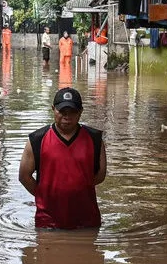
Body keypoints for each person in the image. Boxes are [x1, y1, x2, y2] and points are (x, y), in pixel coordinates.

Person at [19, 87, 106, 229]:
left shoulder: (95, 139)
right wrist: (45, 197)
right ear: (53, 109)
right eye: (62, 112)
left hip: (87, 221)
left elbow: (100, 175)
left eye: (72, 112)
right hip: (48, 222)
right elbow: (24, 176)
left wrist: (78, 188)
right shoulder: (37, 139)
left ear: (81, 112)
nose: (67, 117)